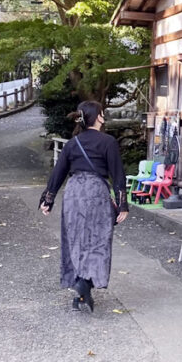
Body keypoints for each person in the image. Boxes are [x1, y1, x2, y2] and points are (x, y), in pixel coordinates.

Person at [39, 100, 129, 312]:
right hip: (96, 192)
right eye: (102, 113)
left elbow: (58, 172)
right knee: (99, 239)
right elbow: (118, 174)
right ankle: (86, 283)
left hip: (74, 193)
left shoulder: (72, 143)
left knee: (75, 239)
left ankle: (80, 285)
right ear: (98, 116)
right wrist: (123, 204)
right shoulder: (108, 142)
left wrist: (48, 200)